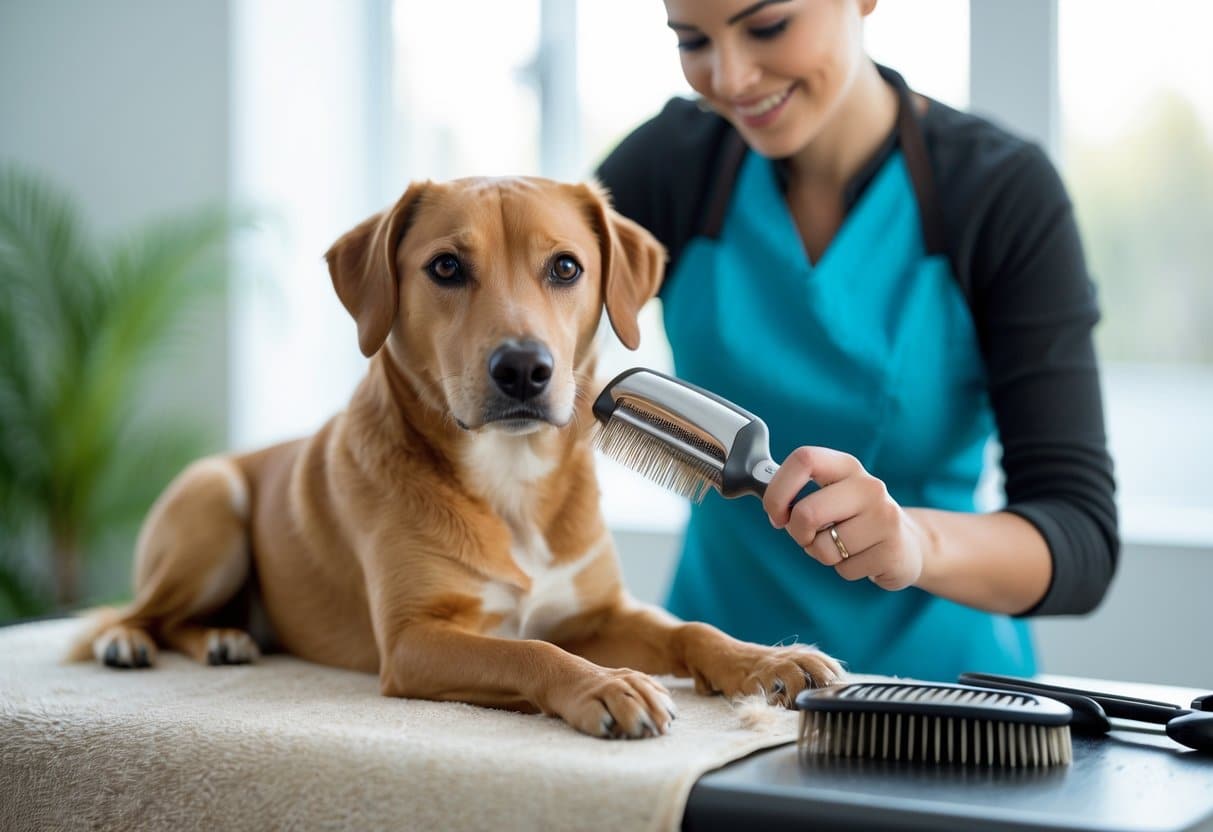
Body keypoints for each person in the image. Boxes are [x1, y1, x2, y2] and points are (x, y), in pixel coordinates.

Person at [594, 0, 1118, 681]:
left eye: (766, 27)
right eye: (692, 40)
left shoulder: (999, 193)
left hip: (936, 700)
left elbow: (1079, 538)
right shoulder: (669, 167)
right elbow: (523, 335)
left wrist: (913, 541)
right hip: (714, 690)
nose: (729, 77)